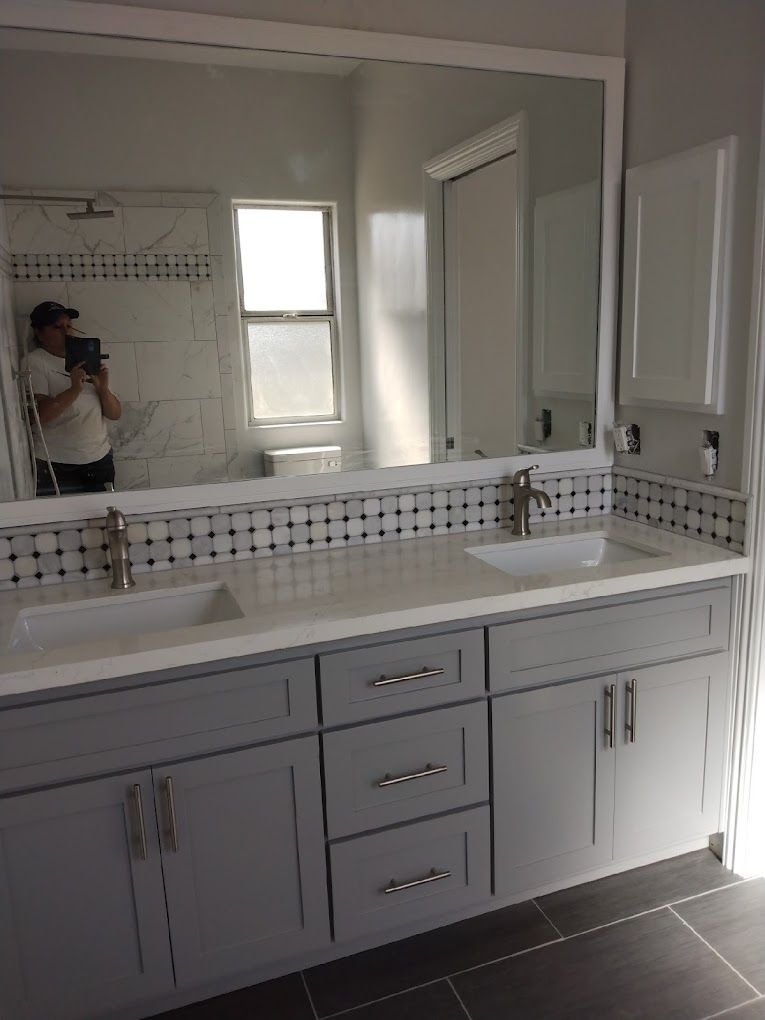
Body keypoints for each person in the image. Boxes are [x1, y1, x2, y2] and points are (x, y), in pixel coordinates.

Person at [25, 300, 122, 495]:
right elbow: (38, 417)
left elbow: (115, 414)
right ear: (39, 333)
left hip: (99, 459)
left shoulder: (88, 361)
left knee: (103, 518)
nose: (66, 331)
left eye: (69, 325)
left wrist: (103, 389)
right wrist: (74, 390)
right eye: (57, 327)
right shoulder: (35, 362)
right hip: (57, 463)